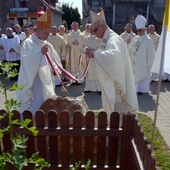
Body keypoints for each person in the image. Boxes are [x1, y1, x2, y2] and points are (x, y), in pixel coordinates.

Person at [85, 9, 138, 125]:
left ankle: (116, 132)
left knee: (116, 111)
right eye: (92, 31)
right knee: (114, 112)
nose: (94, 33)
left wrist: (95, 54)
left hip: (116, 85)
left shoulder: (113, 39)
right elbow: (106, 52)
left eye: (95, 30)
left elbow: (113, 56)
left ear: (103, 27)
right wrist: (95, 52)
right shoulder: (106, 38)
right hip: (113, 81)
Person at [17, 9, 63, 115]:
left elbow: (54, 59)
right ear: (38, 30)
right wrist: (39, 53)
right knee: (35, 105)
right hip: (34, 81)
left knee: (45, 104)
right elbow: (26, 60)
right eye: (46, 33)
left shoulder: (46, 42)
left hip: (45, 80)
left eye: (49, 33)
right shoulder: (29, 43)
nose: (48, 35)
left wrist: (56, 69)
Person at [128, 15, 155, 95]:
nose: (138, 32)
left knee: (143, 77)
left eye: (140, 30)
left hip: (143, 64)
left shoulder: (148, 40)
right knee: (134, 76)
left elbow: (151, 53)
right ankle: (135, 90)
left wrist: (148, 64)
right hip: (134, 63)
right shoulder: (134, 38)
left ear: (144, 30)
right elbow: (129, 50)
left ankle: (142, 90)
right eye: (137, 30)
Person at [80, 24, 101, 93]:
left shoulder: (99, 38)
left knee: (97, 73)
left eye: (93, 29)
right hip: (88, 58)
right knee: (89, 73)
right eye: (90, 29)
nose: (91, 31)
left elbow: (102, 48)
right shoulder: (86, 38)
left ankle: (99, 88)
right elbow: (81, 46)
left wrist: (94, 50)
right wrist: (85, 48)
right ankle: (88, 88)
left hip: (96, 58)